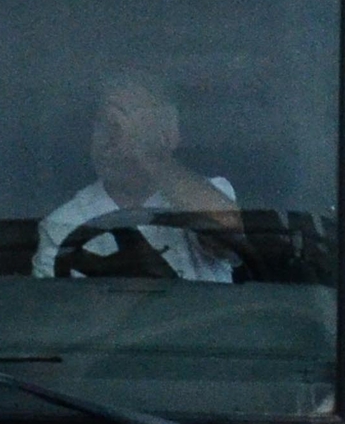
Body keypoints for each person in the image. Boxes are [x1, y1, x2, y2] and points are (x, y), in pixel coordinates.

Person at [35, 74, 243, 281]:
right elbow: (54, 307)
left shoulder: (204, 194)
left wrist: (150, 155)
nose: (110, 139)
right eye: (104, 125)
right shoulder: (63, 223)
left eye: (129, 126)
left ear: (168, 135)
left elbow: (231, 236)